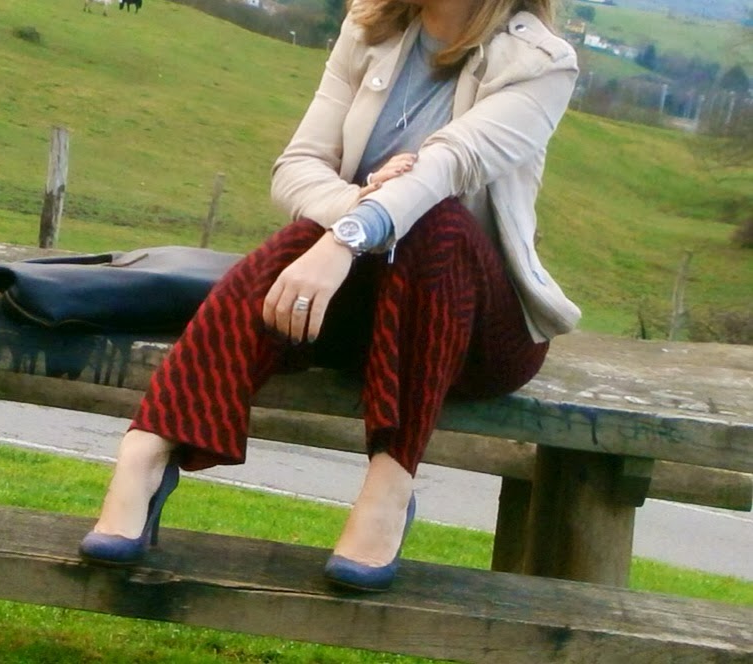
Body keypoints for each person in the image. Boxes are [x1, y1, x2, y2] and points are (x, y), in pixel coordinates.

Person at [79, 0, 581, 592]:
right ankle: (147, 449)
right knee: (301, 240)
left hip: (477, 334)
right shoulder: (371, 28)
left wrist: (347, 237)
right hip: (370, 315)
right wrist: (354, 209)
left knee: (435, 220)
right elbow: (297, 166)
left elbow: (450, 164)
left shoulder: (541, 62)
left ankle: (390, 486)